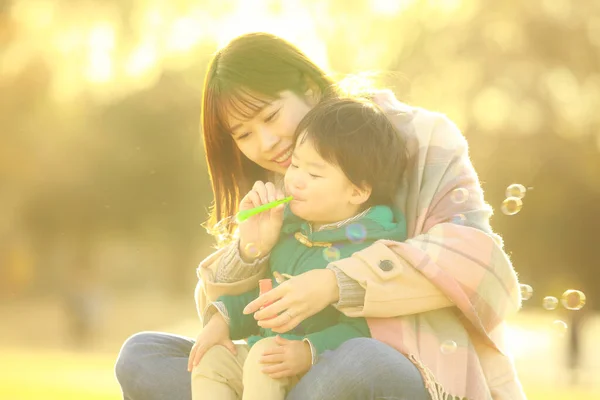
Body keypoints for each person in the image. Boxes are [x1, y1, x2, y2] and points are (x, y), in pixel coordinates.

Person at [115, 32, 526, 400]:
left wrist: (335, 283)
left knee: (362, 361)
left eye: (271, 116)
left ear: (310, 89)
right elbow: (243, 316)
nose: (266, 143)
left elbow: (481, 264)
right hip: (277, 371)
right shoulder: (273, 185)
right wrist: (249, 250)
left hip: (402, 369)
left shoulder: (421, 137)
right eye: (243, 135)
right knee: (142, 356)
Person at [189, 97, 409, 400]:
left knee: (264, 356)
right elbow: (263, 301)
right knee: (212, 359)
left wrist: (308, 351)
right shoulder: (289, 230)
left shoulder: (371, 250)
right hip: (268, 358)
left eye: (314, 174)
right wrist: (222, 319)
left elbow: (370, 330)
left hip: (319, 371)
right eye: (294, 164)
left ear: (358, 190)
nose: (294, 180)